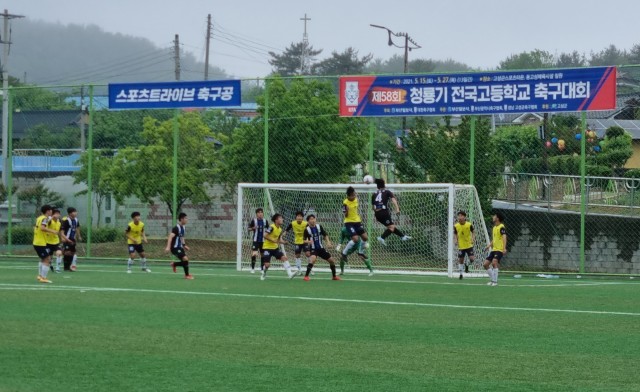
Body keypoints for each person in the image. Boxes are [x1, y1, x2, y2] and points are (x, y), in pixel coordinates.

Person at [372, 178, 411, 245]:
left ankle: (402, 236)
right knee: (391, 227)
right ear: (384, 185)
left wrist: (377, 212)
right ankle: (382, 238)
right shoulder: (387, 192)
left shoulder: (374, 194)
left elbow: (373, 207)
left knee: (391, 227)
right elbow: (394, 200)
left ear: (377, 186)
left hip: (377, 214)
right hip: (384, 212)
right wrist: (397, 209)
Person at [302, 215, 340, 281]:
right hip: (313, 249)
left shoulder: (319, 226)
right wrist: (308, 241)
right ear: (308, 221)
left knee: (332, 260)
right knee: (312, 259)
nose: (313, 220)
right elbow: (303, 240)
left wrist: (328, 242)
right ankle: (306, 276)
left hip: (321, 249)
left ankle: (334, 276)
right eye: (311, 219)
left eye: (314, 219)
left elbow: (325, 235)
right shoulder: (306, 230)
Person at [261, 213, 297, 281]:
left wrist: (284, 242)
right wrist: (273, 240)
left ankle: (290, 274)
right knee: (267, 265)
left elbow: (279, 240)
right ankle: (264, 273)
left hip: (275, 248)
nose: (282, 219)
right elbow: (265, 235)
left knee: (284, 258)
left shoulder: (280, 229)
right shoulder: (271, 227)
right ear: (276, 220)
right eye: (280, 218)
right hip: (267, 248)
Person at [340, 186, 369, 265]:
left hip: (357, 221)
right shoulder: (345, 203)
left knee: (365, 237)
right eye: (352, 195)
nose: (354, 196)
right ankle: (344, 253)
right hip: (349, 222)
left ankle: (360, 252)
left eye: (354, 194)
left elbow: (357, 194)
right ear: (348, 196)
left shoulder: (356, 199)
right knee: (355, 239)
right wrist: (347, 211)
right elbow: (345, 216)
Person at [33, 205, 58, 283]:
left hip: (38, 242)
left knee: (44, 259)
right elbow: (42, 228)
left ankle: (40, 276)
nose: (52, 212)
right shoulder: (44, 218)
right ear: (48, 211)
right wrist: (53, 231)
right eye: (51, 210)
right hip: (40, 242)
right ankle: (43, 278)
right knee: (47, 259)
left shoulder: (40, 218)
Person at [165, 212, 193, 280]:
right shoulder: (176, 228)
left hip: (180, 247)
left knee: (185, 261)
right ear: (181, 219)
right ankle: (186, 275)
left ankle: (175, 265)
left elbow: (182, 237)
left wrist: (184, 245)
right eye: (186, 218)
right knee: (185, 259)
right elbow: (170, 237)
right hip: (174, 248)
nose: (187, 220)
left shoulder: (183, 227)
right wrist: (168, 247)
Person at [484, 212, 507, 287]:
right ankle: (492, 280)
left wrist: (504, 248)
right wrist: (489, 246)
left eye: (494, 216)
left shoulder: (501, 227)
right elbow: (494, 239)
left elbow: (504, 237)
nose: (493, 217)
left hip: (499, 249)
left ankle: (495, 281)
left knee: (494, 263)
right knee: (485, 264)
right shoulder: (494, 228)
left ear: (497, 218)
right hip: (494, 250)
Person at [454, 211, 476, 280]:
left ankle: (467, 265)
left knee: (472, 259)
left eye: (461, 216)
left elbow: (473, 232)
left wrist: (473, 239)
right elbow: (455, 233)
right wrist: (455, 240)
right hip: (461, 246)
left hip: (469, 245)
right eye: (458, 216)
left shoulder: (469, 224)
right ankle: (461, 274)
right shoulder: (456, 226)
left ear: (464, 217)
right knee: (461, 260)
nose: (459, 217)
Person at [60, 207, 81, 272]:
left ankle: (69, 266)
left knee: (72, 252)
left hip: (73, 239)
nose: (76, 213)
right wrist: (63, 238)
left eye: (76, 212)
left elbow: (77, 228)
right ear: (70, 213)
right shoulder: (66, 220)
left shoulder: (76, 220)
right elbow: (61, 231)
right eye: (74, 212)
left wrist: (79, 236)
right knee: (67, 252)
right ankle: (66, 267)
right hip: (67, 239)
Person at [247, 208, 268, 273]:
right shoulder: (254, 221)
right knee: (254, 254)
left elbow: (269, 229)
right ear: (256, 214)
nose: (260, 214)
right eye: (259, 212)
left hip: (263, 241)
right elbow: (248, 229)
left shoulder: (265, 221)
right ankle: (252, 268)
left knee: (263, 255)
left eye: (261, 212)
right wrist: (253, 228)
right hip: (256, 241)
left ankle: (261, 269)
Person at [46, 209, 64, 273]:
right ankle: (50, 265)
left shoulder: (59, 222)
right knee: (49, 257)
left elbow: (60, 232)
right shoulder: (49, 221)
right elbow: (46, 223)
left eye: (58, 214)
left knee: (59, 253)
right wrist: (52, 217)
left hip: (56, 241)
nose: (57, 215)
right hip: (48, 242)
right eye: (56, 214)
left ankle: (57, 268)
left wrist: (63, 238)